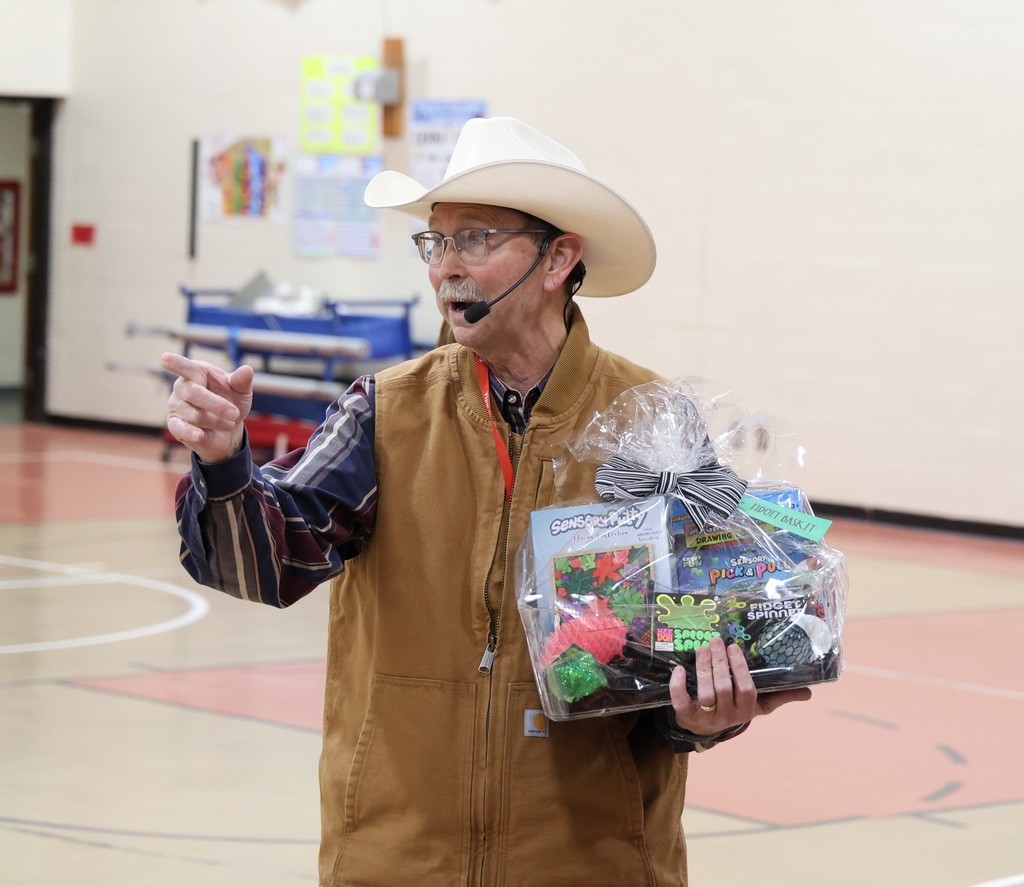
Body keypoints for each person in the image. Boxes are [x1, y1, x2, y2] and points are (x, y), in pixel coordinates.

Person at [162, 116, 810, 887]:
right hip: (399, 859)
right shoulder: (384, 410)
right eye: (435, 243)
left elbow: (700, 632)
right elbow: (262, 567)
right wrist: (225, 462)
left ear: (558, 257)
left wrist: (709, 713)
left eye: (474, 239)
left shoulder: (653, 422)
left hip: (587, 863)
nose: (445, 269)